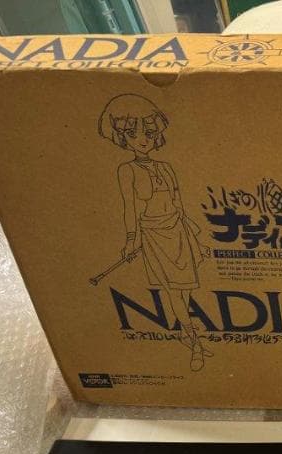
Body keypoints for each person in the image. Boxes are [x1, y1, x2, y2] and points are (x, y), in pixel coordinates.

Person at [98, 94, 212, 371]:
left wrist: (196, 239)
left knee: (185, 290)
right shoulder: (127, 170)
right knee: (174, 291)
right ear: (123, 137)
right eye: (133, 134)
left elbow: (179, 206)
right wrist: (130, 240)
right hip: (154, 236)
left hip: (179, 232)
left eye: (148, 133)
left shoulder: (166, 168)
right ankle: (195, 343)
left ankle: (185, 333)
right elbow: (130, 208)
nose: (142, 140)